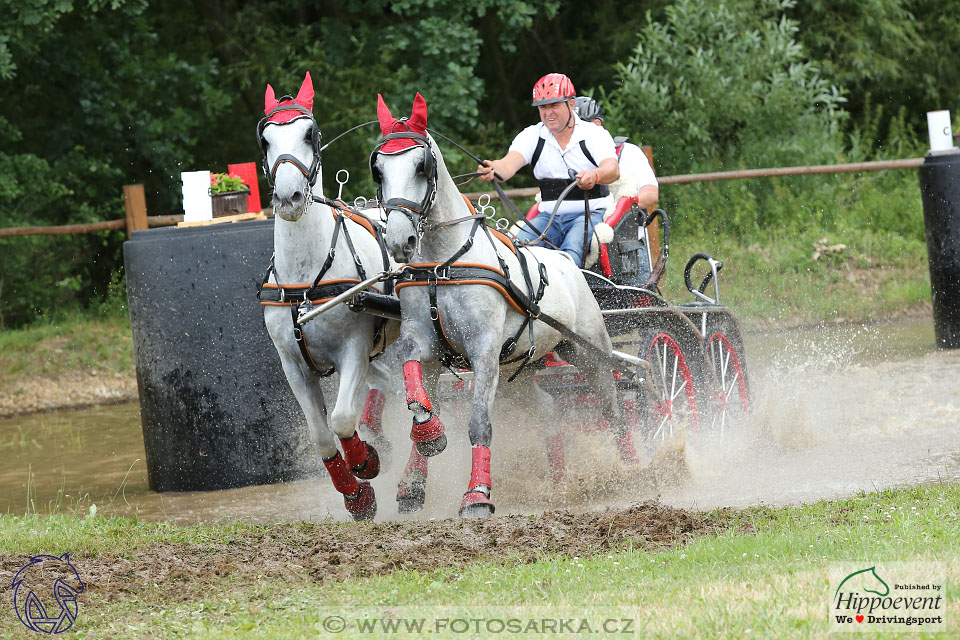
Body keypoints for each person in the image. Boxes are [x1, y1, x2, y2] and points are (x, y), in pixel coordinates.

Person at [477, 73, 619, 267]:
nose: (548, 112)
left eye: (554, 105)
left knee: (571, 252)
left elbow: (612, 169)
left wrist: (595, 175)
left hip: (589, 214)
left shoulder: (593, 134)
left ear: (570, 104)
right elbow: (507, 165)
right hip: (549, 217)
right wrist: (493, 168)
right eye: (543, 107)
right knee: (516, 250)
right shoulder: (532, 136)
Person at [575, 96, 659, 284]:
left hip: (625, 252)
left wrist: (617, 209)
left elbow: (651, 193)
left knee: (638, 311)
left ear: (597, 125)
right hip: (582, 253)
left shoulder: (626, 152)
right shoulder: (569, 159)